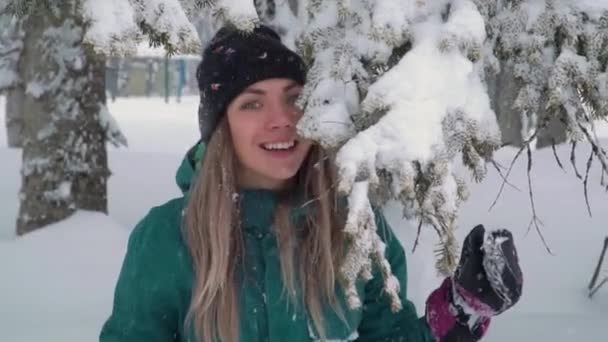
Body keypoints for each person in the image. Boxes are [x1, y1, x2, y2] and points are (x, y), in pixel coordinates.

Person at [99, 25, 523, 342]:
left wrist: (462, 306)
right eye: (252, 103)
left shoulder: (355, 224)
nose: (282, 117)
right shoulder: (168, 238)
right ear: (220, 127)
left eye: (293, 96)